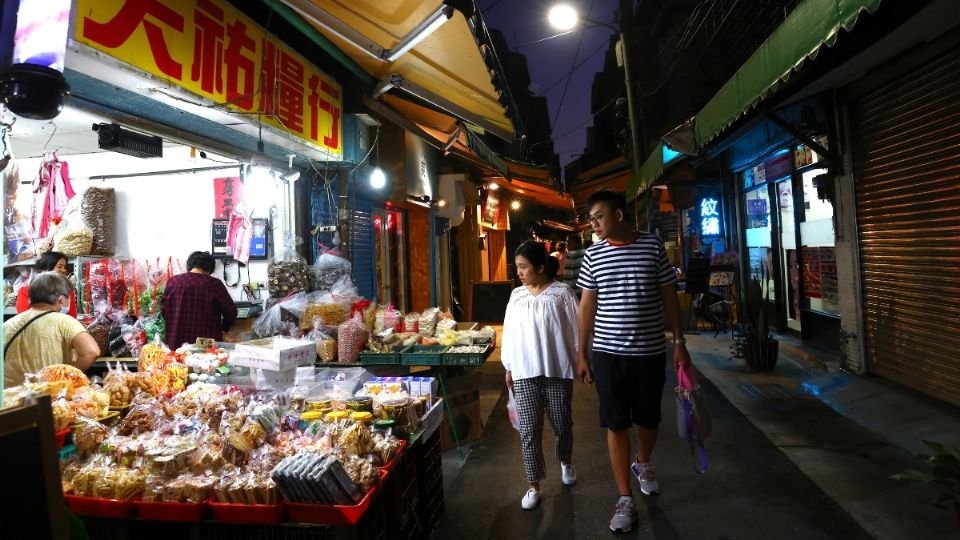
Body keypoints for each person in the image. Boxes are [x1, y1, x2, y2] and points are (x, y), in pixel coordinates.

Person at [575, 190, 689, 534]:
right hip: (609, 355)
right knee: (615, 423)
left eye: (599, 217)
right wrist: (581, 354)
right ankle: (624, 497)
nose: (593, 224)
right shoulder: (593, 255)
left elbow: (669, 294)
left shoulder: (652, 246)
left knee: (649, 419)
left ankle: (643, 462)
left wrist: (679, 342)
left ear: (619, 214)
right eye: (591, 219)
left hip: (651, 351)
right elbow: (586, 307)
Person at [501, 241, 580, 510]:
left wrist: (582, 359)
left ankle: (566, 461)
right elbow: (509, 331)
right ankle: (533, 485)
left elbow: (578, 329)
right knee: (529, 431)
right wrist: (509, 366)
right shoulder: (516, 296)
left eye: (523, 267)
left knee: (562, 424)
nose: (519, 272)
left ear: (541, 267)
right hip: (524, 372)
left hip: (557, 371)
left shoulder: (562, 293)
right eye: (518, 268)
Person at [4, 272, 100, 387]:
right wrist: (66, 376)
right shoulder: (64, 322)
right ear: (61, 300)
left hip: (10, 400)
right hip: (47, 397)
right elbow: (91, 351)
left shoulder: (7, 325)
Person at [161, 251, 237, 349]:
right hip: (205, 345)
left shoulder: (173, 282)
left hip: (176, 343)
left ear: (190, 265)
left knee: (178, 364)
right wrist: (224, 328)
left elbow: (164, 311)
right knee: (206, 363)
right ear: (210, 269)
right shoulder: (214, 284)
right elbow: (231, 312)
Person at [15, 251, 77, 317]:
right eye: (59, 266)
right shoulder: (26, 291)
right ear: (45, 269)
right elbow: (25, 319)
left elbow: (72, 318)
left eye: (65, 267)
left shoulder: (68, 291)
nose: (64, 270)